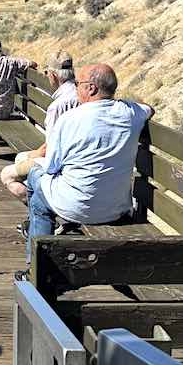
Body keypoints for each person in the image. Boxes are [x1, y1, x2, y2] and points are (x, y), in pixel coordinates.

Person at [24, 63, 154, 250]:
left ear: (91, 88)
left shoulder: (69, 119)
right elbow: (149, 109)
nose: (76, 88)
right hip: (116, 208)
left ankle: (36, 267)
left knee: (36, 187)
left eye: (78, 83)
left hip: (76, 207)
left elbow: (51, 167)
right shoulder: (131, 112)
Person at [0, 51, 78, 202]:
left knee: (9, 171)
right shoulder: (78, 93)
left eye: (47, 72)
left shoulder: (58, 106)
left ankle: (42, 208)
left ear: (53, 75)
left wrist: (30, 156)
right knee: (21, 158)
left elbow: (50, 149)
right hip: (76, 157)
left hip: (61, 163)